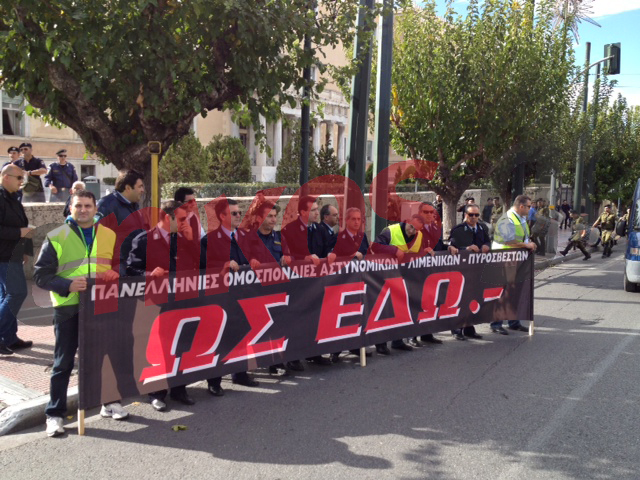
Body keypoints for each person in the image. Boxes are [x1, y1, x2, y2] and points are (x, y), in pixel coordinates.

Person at [34, 190, 129, 437]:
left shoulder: (108, 234)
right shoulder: (56, 236)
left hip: (100, 304)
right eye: (78, 206)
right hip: (68, 307)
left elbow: (120, 263)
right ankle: (54, 414)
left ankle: (109, 402)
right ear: (71, 208)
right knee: (63, 362)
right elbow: (41, 276)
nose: (83, 210)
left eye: (88, 205)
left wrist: (116, 272)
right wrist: (67, 285)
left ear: (96, 208)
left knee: (105, 357)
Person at [127, 201, 200, 411]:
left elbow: (198, 262)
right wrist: (149, 274)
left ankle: (179, 389)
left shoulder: (182, 239)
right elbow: (130, 270)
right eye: (182, 219)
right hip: (155, 303)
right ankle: (156, 393)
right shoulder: (144, 240)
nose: (185, 223)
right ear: (168, 218)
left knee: (180, 344)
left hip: (179, 301)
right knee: (158, 349)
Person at [202, 198, 260, 392]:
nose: (238, 216)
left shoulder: (244, 237)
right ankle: (214, 381)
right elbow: (203, 267)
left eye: (239, 213)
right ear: (222, 216)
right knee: (219, 338)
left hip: (243, 294)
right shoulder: (210, 240)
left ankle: (240, 373)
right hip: (221, 298)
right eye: (234, 213)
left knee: (241, 335)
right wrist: (223, 265)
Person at [371, 214, 424, 354]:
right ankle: (380, 343)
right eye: (411, 227)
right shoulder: (391, 231)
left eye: (416, 229)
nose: (412, 231)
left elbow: (421, 250)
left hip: (405, 277)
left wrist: (427, 250)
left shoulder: (419, 235)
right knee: (385, 310)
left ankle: (398, 341)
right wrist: (394, 250)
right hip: (386, 276)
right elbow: (376, 246)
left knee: (401, 309)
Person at [329, 207, 372, 362]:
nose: (356, 222)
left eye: (359, 219)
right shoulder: (338, 237)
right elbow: (331, 257)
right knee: (341, 317)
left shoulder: (362, 236)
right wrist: (350, 255)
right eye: (353, 219)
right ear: (346, 220)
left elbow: (367, 255)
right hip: (342, 284)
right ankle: (336, 350)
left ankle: (355, 346)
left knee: (357, 315)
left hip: (359, 282)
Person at [490, 195, 537, 335]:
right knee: (502, 293)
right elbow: (508, 241)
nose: (530, 209)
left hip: (516, 260)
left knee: (514, 292)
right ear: (521, 206)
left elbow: (522, 237)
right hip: (503, 260)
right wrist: (526, 245)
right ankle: (496, 324)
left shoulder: (520, 218)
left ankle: (513, 322)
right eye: (529, 206)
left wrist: (529, 244)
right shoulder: (508, 219)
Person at [0, 165, 34, 355]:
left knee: (7, 296)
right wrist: (19, 233)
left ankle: (9, 338)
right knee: (17, 293)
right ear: (6, 177)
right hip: (3, 256)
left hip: (12, 253)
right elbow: (16, 229)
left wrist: (24, 249)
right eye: (19, 178)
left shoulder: (13, 197)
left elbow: (22, 223)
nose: (22, 182)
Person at [448, 204, 489, 340]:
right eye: (471, 215)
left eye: (476, 215)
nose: (474, 217)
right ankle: (456, 329)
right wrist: (466, 249)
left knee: (473, 299)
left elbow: (488, 241)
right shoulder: (458, 230)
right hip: (461, 270)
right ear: (465, 215)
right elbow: (452, 247)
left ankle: (469, 328)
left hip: (476, 270)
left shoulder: (482, 228)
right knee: (460, 300)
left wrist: (486, 246)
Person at [96, 170, 146, 275]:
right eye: (140, 186)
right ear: (128, 188)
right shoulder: (106, 205)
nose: (143, 190)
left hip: (134, 266)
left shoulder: (134, 206)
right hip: (117, 268)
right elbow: (96, 235)